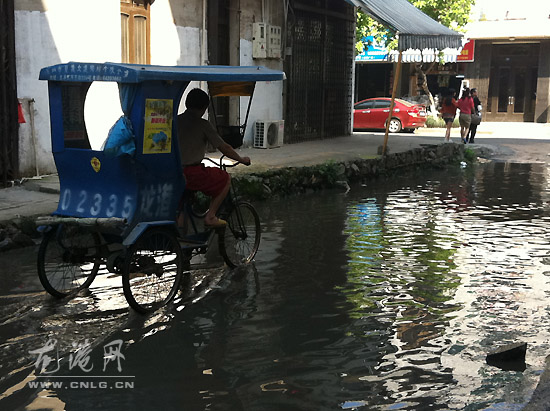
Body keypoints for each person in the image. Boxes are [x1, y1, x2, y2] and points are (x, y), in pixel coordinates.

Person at [177, 88, 251, 227]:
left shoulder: (175, 121)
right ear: (205, 107)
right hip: (191, 173)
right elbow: (224, 148)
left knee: (181, 205)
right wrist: (241, 159)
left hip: (175, 172)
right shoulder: (203, 124)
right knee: (225, 178)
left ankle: (179, 239)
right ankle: (210, 216)